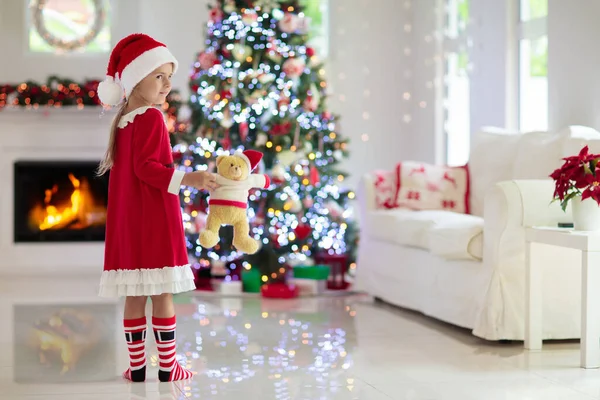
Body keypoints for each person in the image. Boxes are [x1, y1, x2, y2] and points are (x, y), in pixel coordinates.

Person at [95, 33, 217, 382]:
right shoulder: (149, 117)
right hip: (154, 218)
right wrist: (188, 178)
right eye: (159, 76)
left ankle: (137, 369)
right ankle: (167, 367)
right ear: (135, 79)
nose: (167, 85)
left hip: (129, 222)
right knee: (162, 293)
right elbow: (147, 169)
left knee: (135, 295)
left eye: (169, 76)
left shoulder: (124, 120)